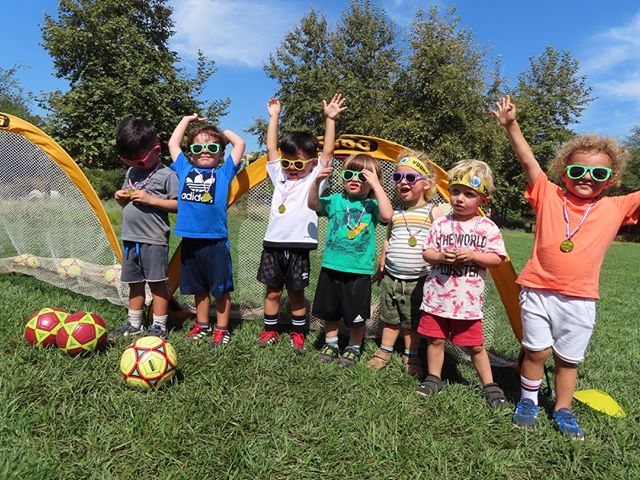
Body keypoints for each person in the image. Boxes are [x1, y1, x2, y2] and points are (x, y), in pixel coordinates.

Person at [492, 95, 640, 439]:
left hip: (580, 298)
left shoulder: (618, 206)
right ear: (564, 172)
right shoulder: (548, 192)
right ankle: (528, 401)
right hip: (537, 290)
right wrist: (511, 124)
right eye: (578, 170)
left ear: (612, 177)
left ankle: (562, 408)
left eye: (598, 172)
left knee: (567, 360)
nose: (587, 177)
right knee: (536, 350)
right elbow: (528, 161)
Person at [255, 94, 347, 354]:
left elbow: (328, 152)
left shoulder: (314, 178)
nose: (291, 168)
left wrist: (330, 120)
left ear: (310, 163)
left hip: (299, 246)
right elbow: (271, 150)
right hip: (272, 245)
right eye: (287, 162)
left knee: (296, 295)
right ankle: (270, 330)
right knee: (272, 293)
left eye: (297, 163)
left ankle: (298, 334)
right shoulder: (279, 175)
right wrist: (274, 118)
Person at [416, 159, 508, 408]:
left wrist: (475, 256)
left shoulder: (487, 227)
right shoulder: (441, 224)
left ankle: (489, 385)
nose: (459, 198)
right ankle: (434, 377)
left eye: (469, 194)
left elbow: (497, 258)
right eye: (455, 191)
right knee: (435, 340)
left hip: (466, 304)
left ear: (483, 200)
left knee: (475, 346)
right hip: (436, 298)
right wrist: (440, 257)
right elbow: (427, 252)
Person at [168, 114, 246, 348]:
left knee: (220, 289)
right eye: (198, 147)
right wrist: (185, 120)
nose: (205, 151)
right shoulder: (183, 168)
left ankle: (221, 329)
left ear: (221, 154)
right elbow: (173, 143)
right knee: (198, 289)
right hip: (190, 242)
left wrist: (220, 132)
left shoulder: (224, 173)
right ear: (190, 153)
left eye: (212, 147)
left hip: (216, 243)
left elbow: (240, 144)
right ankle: (202, 325)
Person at [308, 153, 393, 366]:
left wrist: (377, 185)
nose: (355, 179)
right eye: (349, 174)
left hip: (359, 270)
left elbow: (388, 215)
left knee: (356, 314)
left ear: (371, 183)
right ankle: (331, 343)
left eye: (362, 177)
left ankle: (354, 346)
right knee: (331, 311)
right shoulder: (336, 201)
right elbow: (312, 204)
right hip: (332, 266)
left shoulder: (372, 205)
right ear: (343, 178)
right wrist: (316, 180)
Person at [368, 153, 443, 377]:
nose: (403, 181)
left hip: (419, 279)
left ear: (426, 183)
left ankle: (411, 355)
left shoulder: (433, 211)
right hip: (392, 276)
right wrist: (382, 261)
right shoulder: (397, 212)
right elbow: (388, 238)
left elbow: (442, 237)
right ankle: (384, 351)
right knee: (390, 318)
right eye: (398, 176)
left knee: (412, 322)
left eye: (410, 177)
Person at [109, 118, 178, 341]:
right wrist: (120, 198)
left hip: (154, 238)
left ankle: (159, 325)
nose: (133, 165)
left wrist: (151, 199)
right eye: (127, 161)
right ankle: (134, 323)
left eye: (138, 162)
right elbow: (128, 204)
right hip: (130, 238)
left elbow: (178, 205)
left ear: (156, 150)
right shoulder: (131, 173)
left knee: (157, 283)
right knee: (134, 283)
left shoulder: (167, 175)